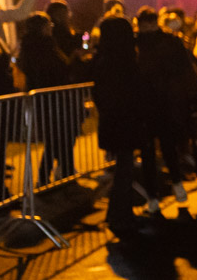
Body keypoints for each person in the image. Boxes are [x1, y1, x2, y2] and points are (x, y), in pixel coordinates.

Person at [136, 6, 197, 210]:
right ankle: (174, 185)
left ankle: (154, 197)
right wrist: (191, 99)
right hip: (166, 103)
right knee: (166, 147)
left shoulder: (136, 45)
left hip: (148, 105)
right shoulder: (170, 42)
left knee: (150, 151)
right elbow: (186, 71)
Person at [91, 16, 145, 237]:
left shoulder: (102, 60)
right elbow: (134, 90)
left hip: (112, 121)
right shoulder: (125, 61)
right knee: (124, 170)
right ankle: (120, 215)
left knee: (123, 169)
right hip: (126, 121)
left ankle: (119, 213)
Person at [17, 12, 79, 185]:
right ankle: (57, 176)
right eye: (48, 25)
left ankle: (51, 176)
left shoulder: (30, 47)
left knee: (56, 139)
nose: (51, 28)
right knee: (60, 138)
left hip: (45, 100)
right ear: (42, 28)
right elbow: (57, 69)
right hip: (54, 99)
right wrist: (73, 60)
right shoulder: (45, 47)